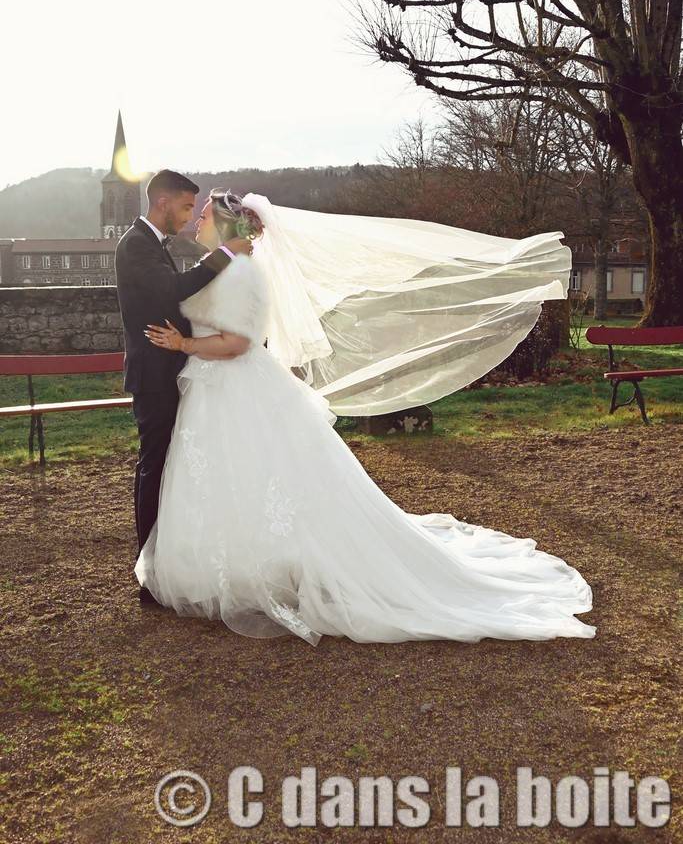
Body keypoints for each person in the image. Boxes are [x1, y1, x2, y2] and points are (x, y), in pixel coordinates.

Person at [135, 188, 596, 646]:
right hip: (215, 392)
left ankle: (265, 570)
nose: (196, 222)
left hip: (234, 389)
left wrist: (185, 345)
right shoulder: (221, 268)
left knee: (260, 477)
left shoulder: (240, 275)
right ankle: (234, 564)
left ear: (226, 225)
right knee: (234, 479)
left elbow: (236, 344)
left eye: (204, 216)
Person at [114, 170, 252, 607]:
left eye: (198, 210)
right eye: (187, 207)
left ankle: (173, 561)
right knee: (155, 466)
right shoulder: (135, 246)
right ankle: (150, 570)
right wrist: (226, 253)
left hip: (175, 369)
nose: (191, 217)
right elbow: (173, 289)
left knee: (177, 468)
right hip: (154, 376)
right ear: (162, 201)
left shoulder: (151, 245)